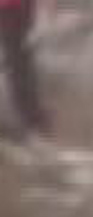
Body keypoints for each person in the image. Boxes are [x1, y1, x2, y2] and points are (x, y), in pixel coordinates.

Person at [0, 0, 48, 138]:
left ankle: (31, 114)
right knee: (18, 62)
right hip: (10, 9)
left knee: (23, 60)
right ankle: (27, 116)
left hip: (20, 8)